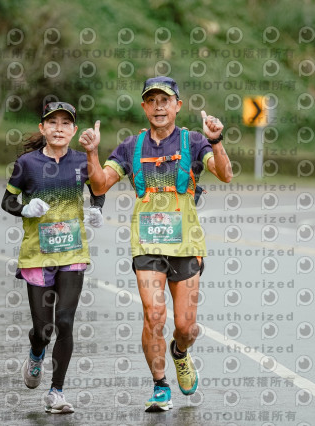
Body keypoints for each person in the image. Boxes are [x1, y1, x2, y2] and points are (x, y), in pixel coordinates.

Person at [78, 76, 233, 412]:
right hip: (146, 244)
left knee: (185, 327)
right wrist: (91, 153)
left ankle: (180, 352)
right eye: (152, 101)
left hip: (186, 245)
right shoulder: (131, 146)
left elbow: (225, 174)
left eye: (165, 100)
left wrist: (216, 141)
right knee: (153, 315)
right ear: (144, 107)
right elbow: (100, 185)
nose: (159, 107)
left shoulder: (194, 142)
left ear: (177, 106)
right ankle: (160, 385)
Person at [1, 101, 105, 414]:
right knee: (43, 331)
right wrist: (24, 209)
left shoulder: (82, 161)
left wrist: (97, 208)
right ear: (42, 128)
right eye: (52, 122)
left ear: (74, 130)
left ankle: (56, 392)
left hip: (73, 252)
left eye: (65, 123)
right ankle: (36, 353)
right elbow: (7, 201)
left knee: (65, 322)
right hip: (37, 256)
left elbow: (98, 188)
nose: (59, 128)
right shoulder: (26, 164)